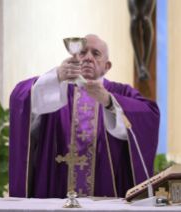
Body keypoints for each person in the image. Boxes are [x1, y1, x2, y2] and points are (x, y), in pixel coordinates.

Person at [9, 34, 160, 198]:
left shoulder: (119, 92)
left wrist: (110, 102)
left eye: (96, 54)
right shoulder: (56, 88)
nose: (88, 58)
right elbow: (20, 98)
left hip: (106, 195)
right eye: (82, 53)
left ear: (106, 66)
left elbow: (149, 114)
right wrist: (57, 76)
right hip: (57, 194)